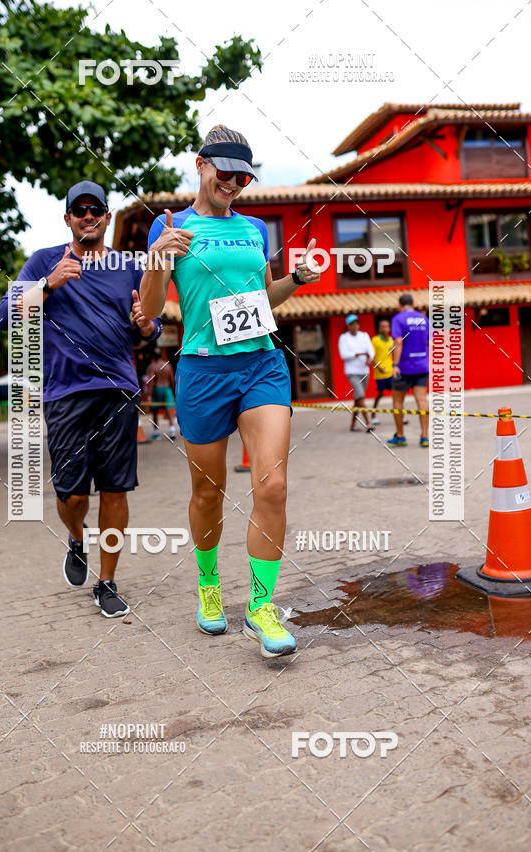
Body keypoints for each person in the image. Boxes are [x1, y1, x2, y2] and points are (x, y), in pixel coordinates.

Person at [139, 124, 319, 659]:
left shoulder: (254, 229)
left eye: (244, 176)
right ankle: (210, 586)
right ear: (201, 165)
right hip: (202, 371)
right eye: (226, 172)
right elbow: (148, 312)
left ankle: (261, 607)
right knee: (207, 493)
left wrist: (297, 280)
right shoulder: (173, 229)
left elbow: (264, 299)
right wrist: (158, 259)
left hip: (262, 362)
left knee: (273, 486)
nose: (234, 182)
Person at [0, 180, 162, 616]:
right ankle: (76, 537)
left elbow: (150, 321)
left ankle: (107, 581)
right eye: (80, 210)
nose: (89, 216)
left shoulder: (129, 265)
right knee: (70, 495)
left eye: (97, 209)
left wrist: (147, 325)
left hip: (119, 390)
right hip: (64, 392)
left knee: (115, 487)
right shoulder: (45, 261)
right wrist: (48, 285)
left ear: (107, 217)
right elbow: (3, 317)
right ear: (68, 218)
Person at [388, 292, 430, 447]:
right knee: (422, 399)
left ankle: (400, 436)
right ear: (413, 304)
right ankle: (424, 436)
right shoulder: (424, 319)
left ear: (400, 305)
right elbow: (429, 342)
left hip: (404, 367)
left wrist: (395, 365)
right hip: (422, 365)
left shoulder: (398, 319)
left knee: (398, 401)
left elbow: (398, 342)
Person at [338, 314, 375, 432]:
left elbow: (371, 351)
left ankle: (353, 425)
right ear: (348, 326)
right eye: (351, 324)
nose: (354, 326)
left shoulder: (364, 336)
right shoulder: (344, 338)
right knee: (360, 395)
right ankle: (369, 423)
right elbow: (344, 355)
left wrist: (370, 358)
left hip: (364, 371)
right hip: (352, 372)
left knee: (358, 399)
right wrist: (358, 354)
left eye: (356, 323)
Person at [144, 347, 177, 439]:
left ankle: (156, 432)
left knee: (155, 412)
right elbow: (172, 381)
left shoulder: (152, 366)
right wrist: (174, 392)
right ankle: (172, 430)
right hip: (167, 389)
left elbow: (150, 381)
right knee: (169, 411)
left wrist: (149, 394)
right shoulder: (167, 365)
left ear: (153, 356)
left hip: (156, 389)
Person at [371, 318, 394, 424]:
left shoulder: (391, 340)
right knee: (380, 394)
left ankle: (400, 416)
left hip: (390, 371)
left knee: (396, 394)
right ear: (379, 329)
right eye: (383, 326)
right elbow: (371, 357)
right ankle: (373, 415)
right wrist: (378, 367)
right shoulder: (375, 340)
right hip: (380, 373)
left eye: (387, 326)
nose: (386, 328)